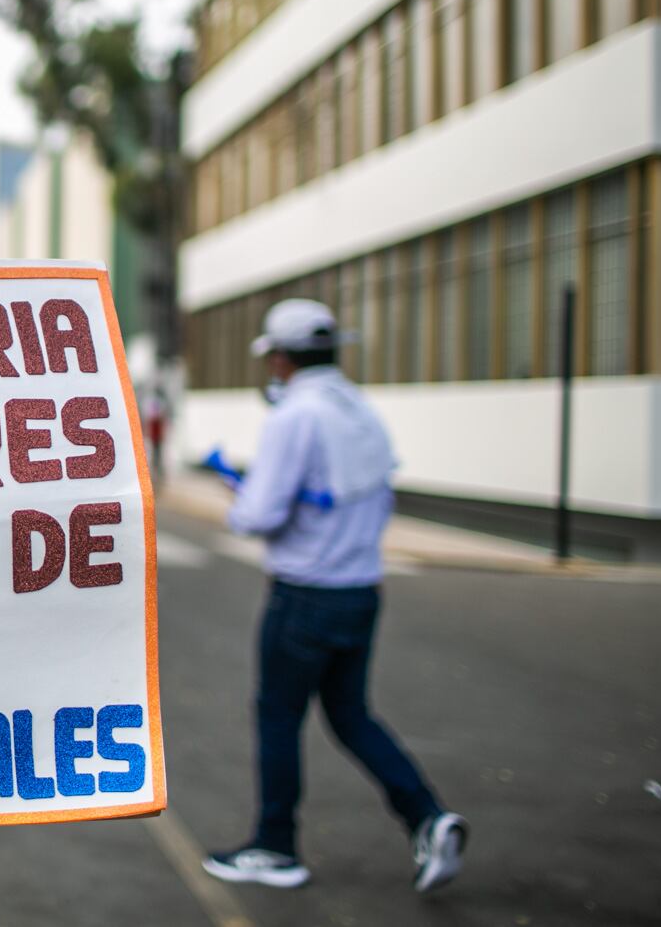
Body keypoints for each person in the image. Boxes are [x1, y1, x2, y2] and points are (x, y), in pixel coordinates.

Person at [201, 299, 467, 894]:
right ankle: (427, 816)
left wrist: (237, 489)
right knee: (350, 715)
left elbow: (256, 517)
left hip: (304, 595)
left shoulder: (296, 415)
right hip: (360, 591)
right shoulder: (360, 410)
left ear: (279, 357)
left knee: (277, 715)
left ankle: (275, 846)